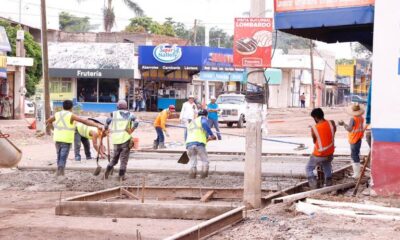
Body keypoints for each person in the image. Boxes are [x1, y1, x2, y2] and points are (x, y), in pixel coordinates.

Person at [46, 100, 103, 177]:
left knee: (59, 156)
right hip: (66, 139)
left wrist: (53, 129)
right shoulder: (71, 115)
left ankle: (59, 172)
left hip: (57, 138)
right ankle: (60, 174)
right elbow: (84, 121)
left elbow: (48, 122)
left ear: (62, 106)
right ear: (71, 107)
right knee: (63, 157)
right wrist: (96, 125)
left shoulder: (57, 114)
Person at [104, 100, 138, 181]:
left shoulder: (113, 114)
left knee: (114, 159)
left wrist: (107, 131)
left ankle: (107, 171)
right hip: (126, 140)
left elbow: (106, 125)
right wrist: (133, 128)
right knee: (124, 159)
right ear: (126, 106)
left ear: (117, 106)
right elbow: (136, 123)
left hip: (116, 140)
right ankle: (121, 176)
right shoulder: (131, 115)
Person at [306, 108, 336, 189]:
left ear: (315, 117)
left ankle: (314, 186)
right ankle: (329, 184)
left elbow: (314, 141)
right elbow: (333, 132)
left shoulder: (314, 128)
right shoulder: (332, 123)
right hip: (330, 152)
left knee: (308, 168)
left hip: (319, 154)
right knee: (327, 165)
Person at [186, 109, 216, 179]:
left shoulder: (191, 122)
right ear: (206, 115)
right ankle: (204, 176)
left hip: (189, 144)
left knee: (193, 162)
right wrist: (211, 135)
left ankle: (192, 176)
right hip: (199, 144)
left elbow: (186, 134)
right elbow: (205, 124)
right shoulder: (203, 119)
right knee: (205, 161)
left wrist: (208, 139)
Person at [338, 104, 365, 178]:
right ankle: (358, 172)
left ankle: (356, 174)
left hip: (354, 139)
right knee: (356, 154)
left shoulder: (353, 119)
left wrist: (343, 124)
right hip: (359, 138)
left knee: (354, 156)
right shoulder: (361, 118)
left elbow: (349, 129)